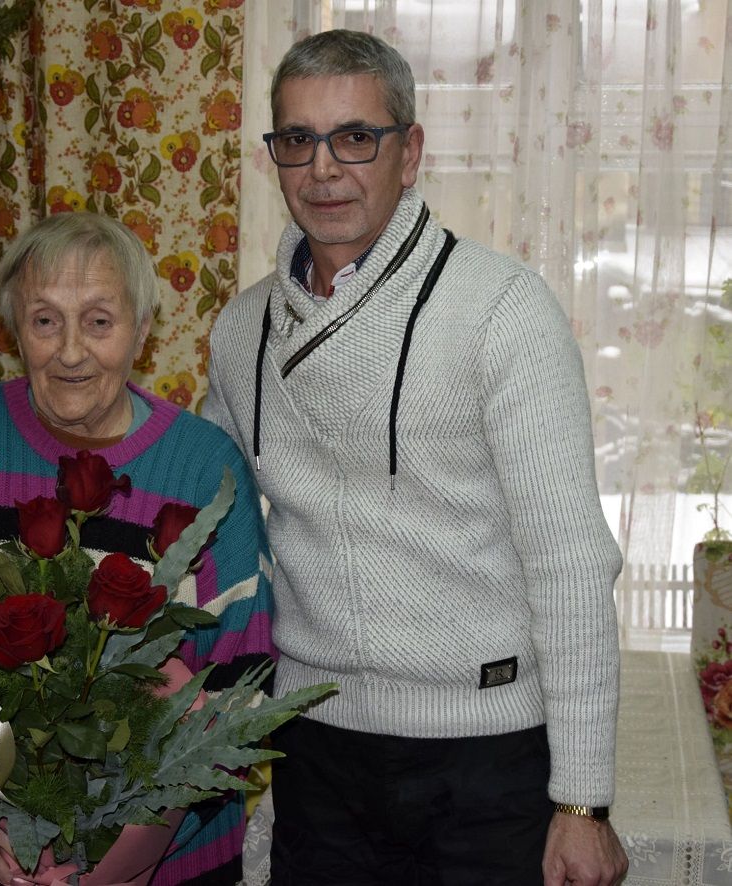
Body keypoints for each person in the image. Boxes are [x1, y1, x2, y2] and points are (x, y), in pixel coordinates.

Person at [203, 29, 628, 886]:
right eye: (297, 140)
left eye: (355, 137)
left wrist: (582, 802)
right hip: (314, 747)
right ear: (275, 156)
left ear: (411, 151)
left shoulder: (502, 309)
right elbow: (210, 529)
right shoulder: (240, 330)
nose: (323, 169)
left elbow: (570, 564)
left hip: (488, 755)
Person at [0, 212, 275, 886]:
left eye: (99, 321)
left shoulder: (204, 469)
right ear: (14, 329)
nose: (70, 351)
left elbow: (247, 688)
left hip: (171, 869)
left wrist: (121, 849)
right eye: (44, 321)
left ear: (143, 329)